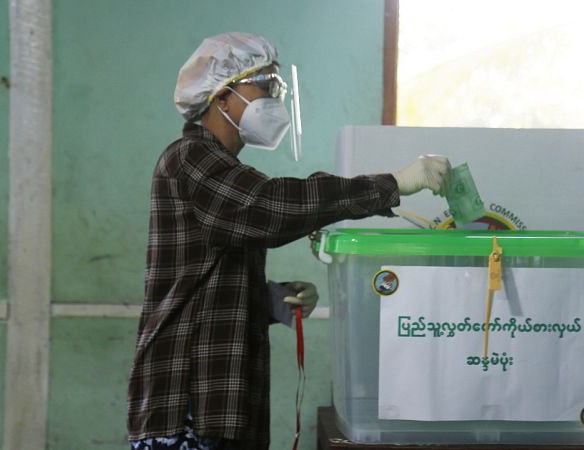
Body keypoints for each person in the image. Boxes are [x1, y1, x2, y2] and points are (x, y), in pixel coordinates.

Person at [127, 32, 450, 450]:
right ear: (222, 97)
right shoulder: (191, 157)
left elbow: (203, 278)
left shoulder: (220, 168)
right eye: (263, 87)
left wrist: (270, 300)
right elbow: (268, 206)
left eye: (276, 88)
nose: (273, 100)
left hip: (219, 400)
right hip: (186, 402)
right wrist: (393, 184)